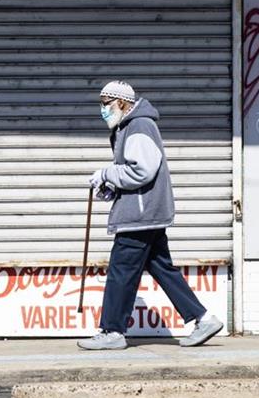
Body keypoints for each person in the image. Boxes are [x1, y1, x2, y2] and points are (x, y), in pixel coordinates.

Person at [77, 81, 224, 350]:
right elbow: (136, 173)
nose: (103, 109)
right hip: (147, 212)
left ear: (122, 103)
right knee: (162, 268)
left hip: (140, 216)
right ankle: (203, 319)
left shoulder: (138, 126)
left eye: (106, 103)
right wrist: (112, 188)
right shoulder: (128, 127)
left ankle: (112, 331)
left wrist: (107, 174)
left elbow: (141, 171)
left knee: (121, 272)